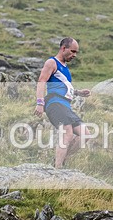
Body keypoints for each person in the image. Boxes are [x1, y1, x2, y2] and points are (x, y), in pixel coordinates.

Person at [34, 37, 91, 168]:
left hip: (65, 105)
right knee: (68, 133)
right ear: (63, 48)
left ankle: (60, 160)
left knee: (86, 134)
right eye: (73, 51)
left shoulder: (65, 68)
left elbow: (64, 87)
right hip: (55, 103)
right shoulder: (52, 62)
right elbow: (41, 81)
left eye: (76, 52)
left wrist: (78, 92)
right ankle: (57, 168)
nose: (74, 55)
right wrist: (40, 102)